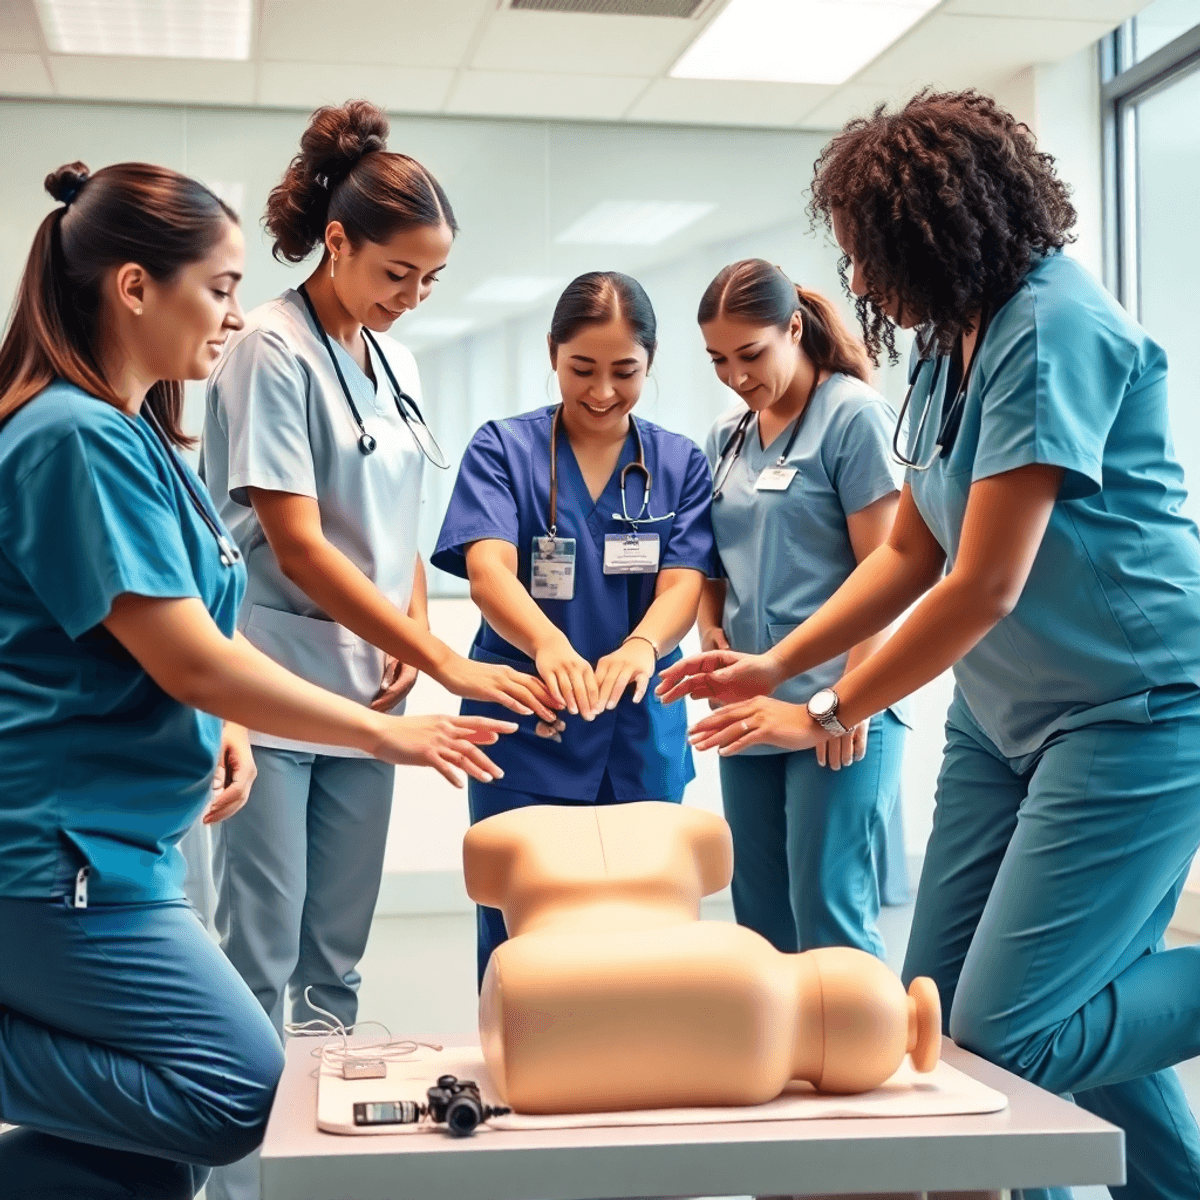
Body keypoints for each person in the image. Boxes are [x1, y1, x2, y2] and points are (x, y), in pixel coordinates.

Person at [658, 89, 1200, 1200]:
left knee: (1011, 1035)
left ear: (941, 232)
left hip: (1136, 710)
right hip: (1007, 724)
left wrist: (828, 709)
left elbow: (984, 582)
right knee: (946, 1023)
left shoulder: (1051, 327)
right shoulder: (956, 342)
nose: (861, 280)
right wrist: (772, 664)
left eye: (873, 252)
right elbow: (908, 553)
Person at [0, 161, 512, 1199]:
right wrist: (388, 732)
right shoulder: (75, 438)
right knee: (234, 1087)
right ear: (135, 287)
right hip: (58, 853)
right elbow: (189, 651)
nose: (235, 313)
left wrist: (215, 718)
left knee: (152, 1160)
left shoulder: (132, 427)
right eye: (221, 285)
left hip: (123, 837)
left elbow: (166, 622)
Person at [198, 100, 553, 1200]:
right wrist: (443, 658)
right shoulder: (272, 346)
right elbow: (298, 544)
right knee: (261, 950)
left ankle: (320, 1167)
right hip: (269, 677)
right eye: (398, 273)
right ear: (338, 243)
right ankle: (241, 1177)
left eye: (430, 282)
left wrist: (408, 620)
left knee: (335, 956)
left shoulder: (382, 356)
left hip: (365, 689)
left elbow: (392, 519)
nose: (413, 298)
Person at [432, 271, 716, 984]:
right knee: (522, 937)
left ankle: (643, 1072)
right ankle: (522, 1070)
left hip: (637, 726)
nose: (601, 391)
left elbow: (685, 582)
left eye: (625, 372)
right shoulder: (504, 449)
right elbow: (490, 568)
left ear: (651, 363)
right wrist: (548, 643)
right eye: (581, 369)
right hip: (527, 726)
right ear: (552, 353)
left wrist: (644, 645)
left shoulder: (677, 462)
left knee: (647, 928)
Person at [697, 259, 908, 959]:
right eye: (719, 360)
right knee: (758, 915)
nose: (736, 375)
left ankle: (861, 1061)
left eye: (750, 354)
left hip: (835, 704)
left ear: (794, 328)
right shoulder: (726, 435)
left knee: (827, 906)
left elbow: (889, 571)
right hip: (749, 705)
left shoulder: (853, 417)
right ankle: (780, 1066)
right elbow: (710, 557)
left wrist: (851, 699)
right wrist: (708, 623)